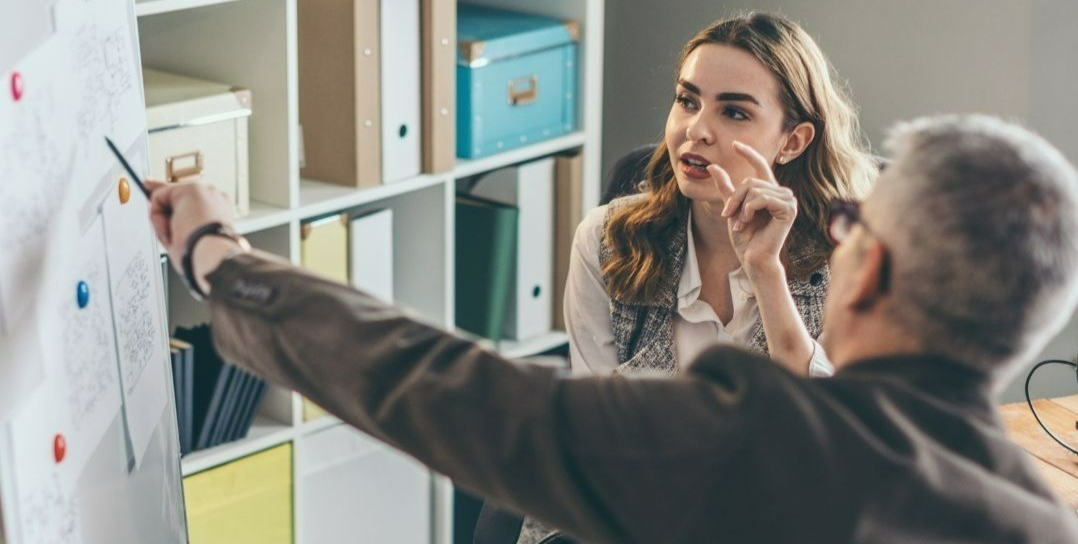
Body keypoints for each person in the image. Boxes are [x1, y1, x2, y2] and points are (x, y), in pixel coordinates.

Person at [148, 114, 1078, 543]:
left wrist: (223, 262)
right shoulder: (1037, 518)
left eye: (851, 227)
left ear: (865, 264)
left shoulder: (761, 437)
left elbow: (449, 390)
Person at [565, 13, 877, 380]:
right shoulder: (607, 242)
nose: (696, 131)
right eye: (688, 101)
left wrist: (766, 272)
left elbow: (836, 424)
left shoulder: (850, 258)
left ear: (792, 142)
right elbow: (593, 419)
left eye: (733, 112)